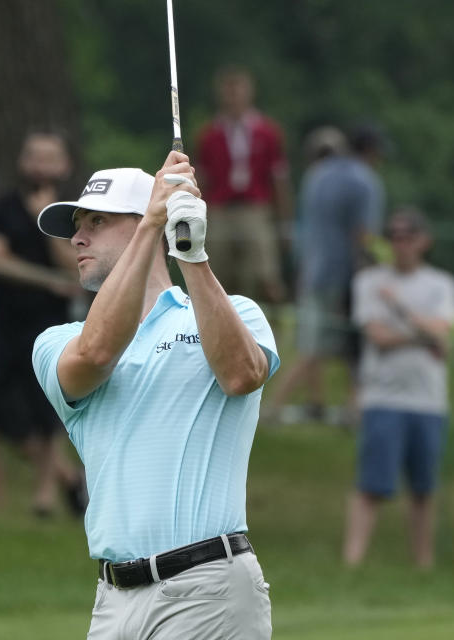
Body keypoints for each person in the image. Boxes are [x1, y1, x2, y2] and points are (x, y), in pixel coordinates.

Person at [32, 151, 279, 638]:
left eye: (97, 222)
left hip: (208, 586)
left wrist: (192, 255)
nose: (77, 237)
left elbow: (241, 375)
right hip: (112, 601)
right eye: (76, 225)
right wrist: (151, 225)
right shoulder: (57, 342)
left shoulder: (235, 312)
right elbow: (98, 353)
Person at [0, 130, 87, 515]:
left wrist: (42, 223)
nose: (40, 166)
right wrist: (48, 280)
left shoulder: (74, 214)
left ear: (63, 166)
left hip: (50, 327)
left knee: (50, 416)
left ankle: (45, 498)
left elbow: (73, 267)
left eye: (49, 158)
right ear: (21, 162)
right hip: (0, 323)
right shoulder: (0, 207)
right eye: (33, 156)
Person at [342, 210, 454, 568]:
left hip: (428, 401)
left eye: (407, 235)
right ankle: (352, 562)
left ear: (424, 240)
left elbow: (442, 331)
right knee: (371, 485)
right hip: (382, 397)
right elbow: (376, 335)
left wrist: (399, 308)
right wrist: (425, 338)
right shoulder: (368, 281)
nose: (399, 241)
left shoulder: (442, 284)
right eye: (393, 234)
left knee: (424, 490)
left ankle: (423, 564)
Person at [264, 124, 387, 424]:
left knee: (324, 343)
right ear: (370, 152)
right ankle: (271, 409)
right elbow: (364, 234)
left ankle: (343, 408)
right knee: (328, 347)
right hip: (342, 275)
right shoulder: (365, 182)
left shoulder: (316, 175)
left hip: (311, 270)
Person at [195, 65, 291, 303]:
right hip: (219, 209)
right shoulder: (210, 135)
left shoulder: (267, 132)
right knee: (216, 270)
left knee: (262, 273)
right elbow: (203, 179)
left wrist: (285, 221)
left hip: (254, 208)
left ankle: (263, 325)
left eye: (238, 89)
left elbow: (278, 178)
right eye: (228, 90)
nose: (233, 96)